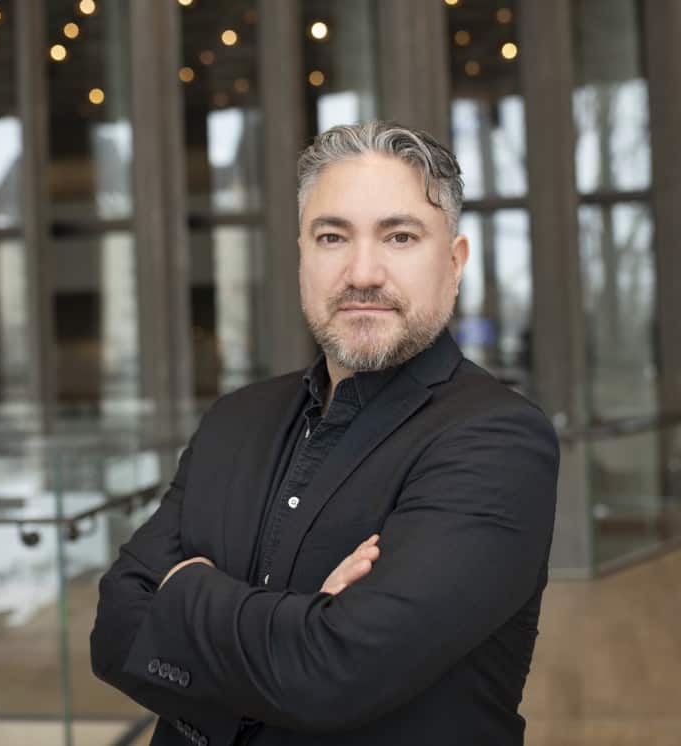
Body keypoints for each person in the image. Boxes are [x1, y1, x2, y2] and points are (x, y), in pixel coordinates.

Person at [90, 121, 559, 746]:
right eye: (333, 236)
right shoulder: (235, 419)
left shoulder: (498, 440)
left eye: (399, 235)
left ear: (454, 263)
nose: (363, 272)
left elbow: (333, 673)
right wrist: (298, 628)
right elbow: (116, 626)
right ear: (303, 256)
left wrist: (183, 599)